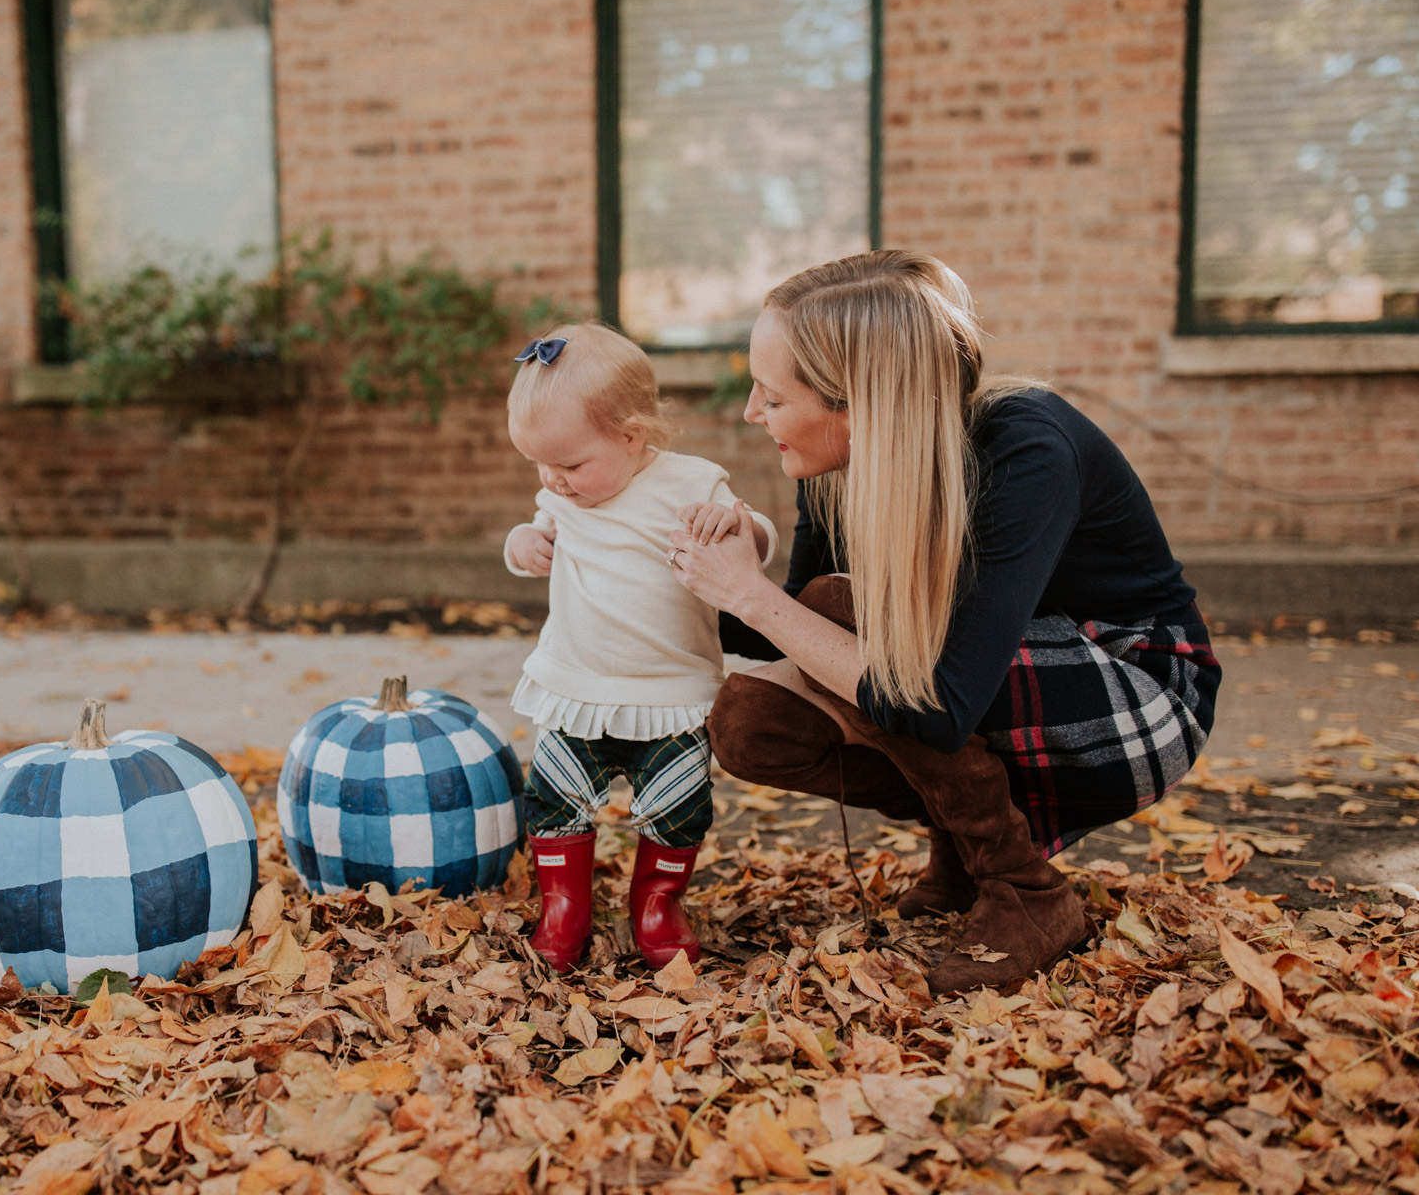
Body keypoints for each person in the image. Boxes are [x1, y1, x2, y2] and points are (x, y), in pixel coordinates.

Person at [668, 251, 1222, 994]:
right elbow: (794, 643)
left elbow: (933, 700)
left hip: (1141, 698)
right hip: (987, 683)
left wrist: (753, 596)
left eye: (771, 395)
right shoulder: (843, 467)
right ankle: (965, 856)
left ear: (859, 403)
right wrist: (682, 578)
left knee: (843, 613)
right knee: (750, 720)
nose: (750, 413)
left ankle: (1027, 891)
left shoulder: (1027, 448)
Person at [503, 323, 779, 971]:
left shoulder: (691, 483)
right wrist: (522, 543)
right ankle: (563, 907)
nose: (555, 481)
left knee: (678, 806)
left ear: (632, 436)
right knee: (556, 800)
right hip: (578, 690)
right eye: (541, 466)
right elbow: (538, 524)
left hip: (671, 695)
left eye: (570, 465)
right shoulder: (560, 494)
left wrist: (738, 525)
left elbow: (760, 534)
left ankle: (658, 905)